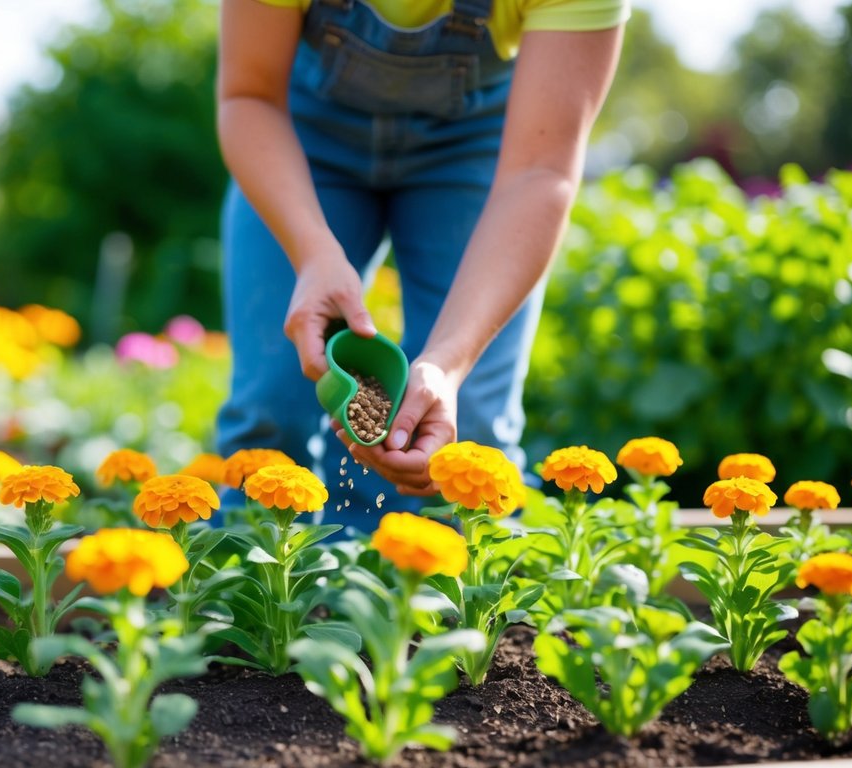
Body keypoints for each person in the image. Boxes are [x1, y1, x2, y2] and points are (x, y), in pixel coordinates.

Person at [214, 0, 627, 529]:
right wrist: (313, 251)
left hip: (479, 145)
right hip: (300, 133)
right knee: (271, 405)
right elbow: (249, 95)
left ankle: (444, 604)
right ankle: (266, 601)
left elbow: (541, 171)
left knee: (467, 428)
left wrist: (449, 362)